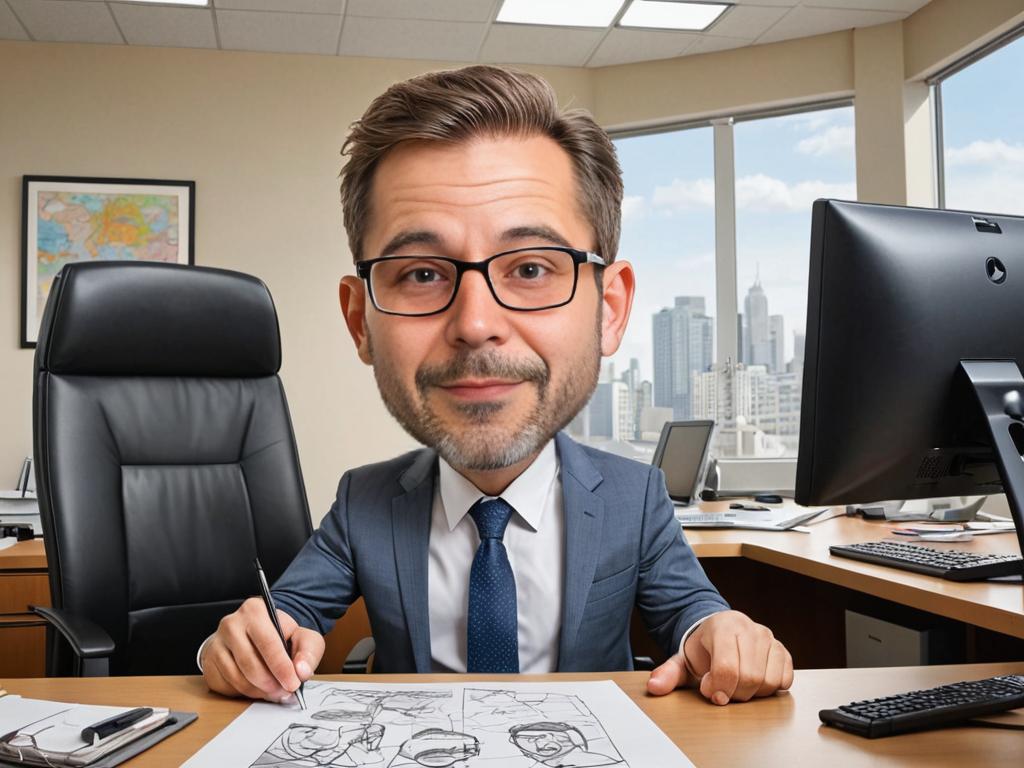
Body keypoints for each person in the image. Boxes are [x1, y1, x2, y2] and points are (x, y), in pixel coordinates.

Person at [200, 65, 793, 709]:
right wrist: (231, 648)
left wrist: (724, 632)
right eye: (422, 273)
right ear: (359, 321)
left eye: (532, 268)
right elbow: (278, 624)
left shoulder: (636, 496)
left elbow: (694, 612)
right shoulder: (363, 502)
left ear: (611, 308)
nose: (476, 325)